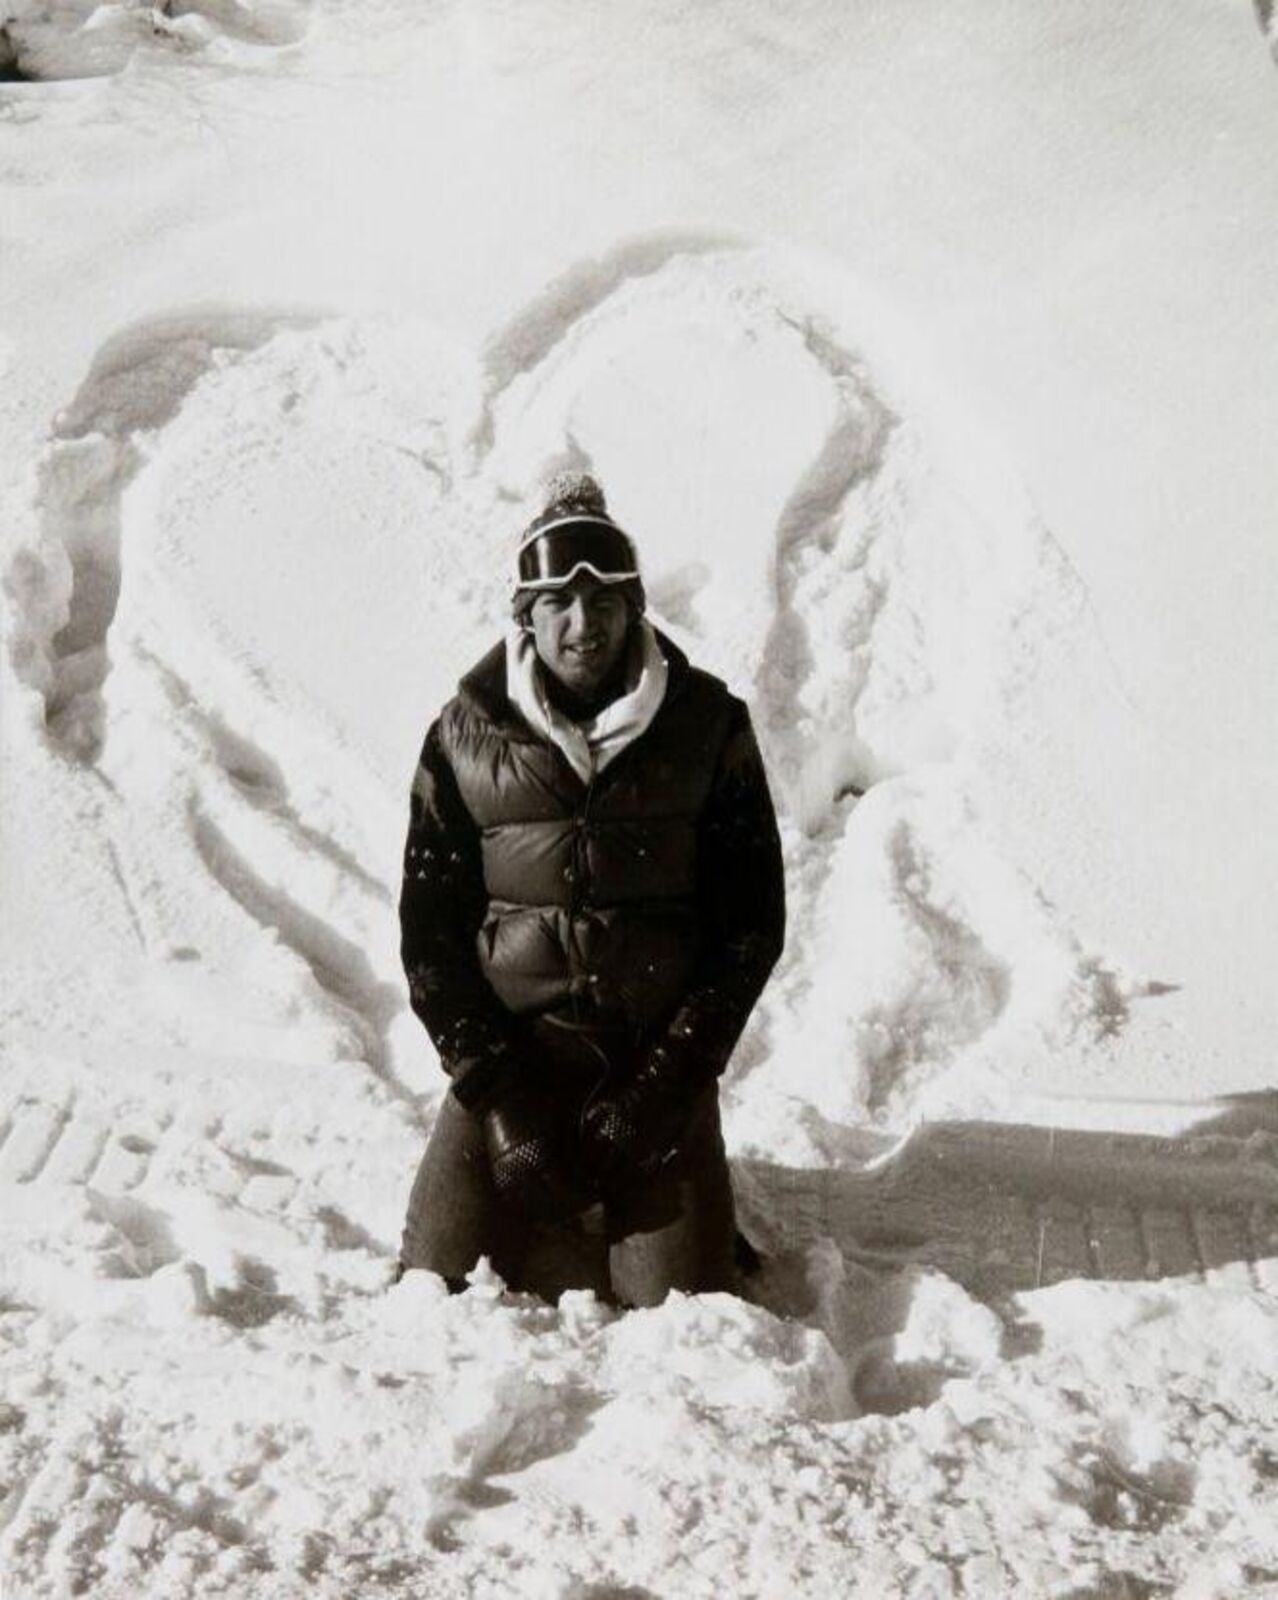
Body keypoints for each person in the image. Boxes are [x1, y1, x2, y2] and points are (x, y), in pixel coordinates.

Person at [396, 472, 785, 1306]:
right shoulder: (462, 736)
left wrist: (665, 1087)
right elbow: (430, 935)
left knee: (680, 1314)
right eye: (558, 601)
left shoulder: (711, 726)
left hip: (652, 1073)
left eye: (605, 597)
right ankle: (538, 1182)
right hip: (513, 1069)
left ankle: (668, 1195)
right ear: (526, 616)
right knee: (437, 1287)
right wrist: (497, 1098)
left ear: (635, 605)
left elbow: (751, 926)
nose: (584, 622)